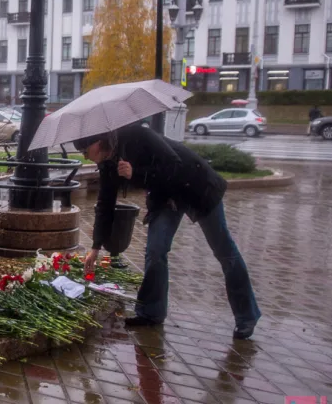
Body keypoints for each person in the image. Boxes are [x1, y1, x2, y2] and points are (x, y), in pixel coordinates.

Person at [76, 124, 261, 339]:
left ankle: (247, 316)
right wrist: (96, 246)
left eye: (85, 152)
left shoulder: (138, 134)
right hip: (165, 198)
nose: (86, 157)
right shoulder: (108, 164)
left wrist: (136, 173)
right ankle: (151, 312)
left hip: (196, 187)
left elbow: (174, 164)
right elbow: (105, 204)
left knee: (224, 252)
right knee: (155, 251)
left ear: (97, 143)